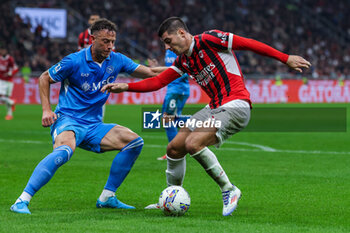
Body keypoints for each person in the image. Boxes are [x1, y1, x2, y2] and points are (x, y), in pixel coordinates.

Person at [101, 17, 311, 216]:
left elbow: (248, 43)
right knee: (174, 148)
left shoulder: (210, 39)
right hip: (214, 107)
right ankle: (170, 198)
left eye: (168, 41)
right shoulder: (184, 61)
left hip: (236, 105)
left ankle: (229, 189)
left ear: (181, 33)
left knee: (194, 143)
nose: (167, 47)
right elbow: (157, 82)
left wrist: (285, 58)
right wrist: (126, 87)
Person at [10, 18, 166, 214]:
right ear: (92, 39)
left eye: (112, 41)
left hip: (93, 126)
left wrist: (179, 70)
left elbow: (150, 72)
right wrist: (46, 110)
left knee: (134, 142)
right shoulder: (74, 60)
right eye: (105, 42)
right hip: (68, 119)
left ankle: (107, 197)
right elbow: (44, 78)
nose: (110, 46)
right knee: (64, 151)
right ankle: (21, 200)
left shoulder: (116, 59)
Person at [157, 49, 189, 160]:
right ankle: (176, 150)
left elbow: (185, 71)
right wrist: (157, 67)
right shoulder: (169, 51)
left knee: (167, 119)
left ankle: (175, 151)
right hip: (173, 90)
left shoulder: (179, 50)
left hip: (177, 90)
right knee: (171, 120)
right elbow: (169, 69)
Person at [0, 44, 18, 120]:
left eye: (3, 50)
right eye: (1, 50)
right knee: (1, 97)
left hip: (9, 81)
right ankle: (12, 102)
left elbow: (15, 68)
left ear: (6, 51)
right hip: (1, 80)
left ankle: (9, 115)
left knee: (6, 97)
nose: (2, 51)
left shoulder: (10, 59)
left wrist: (11, 73)